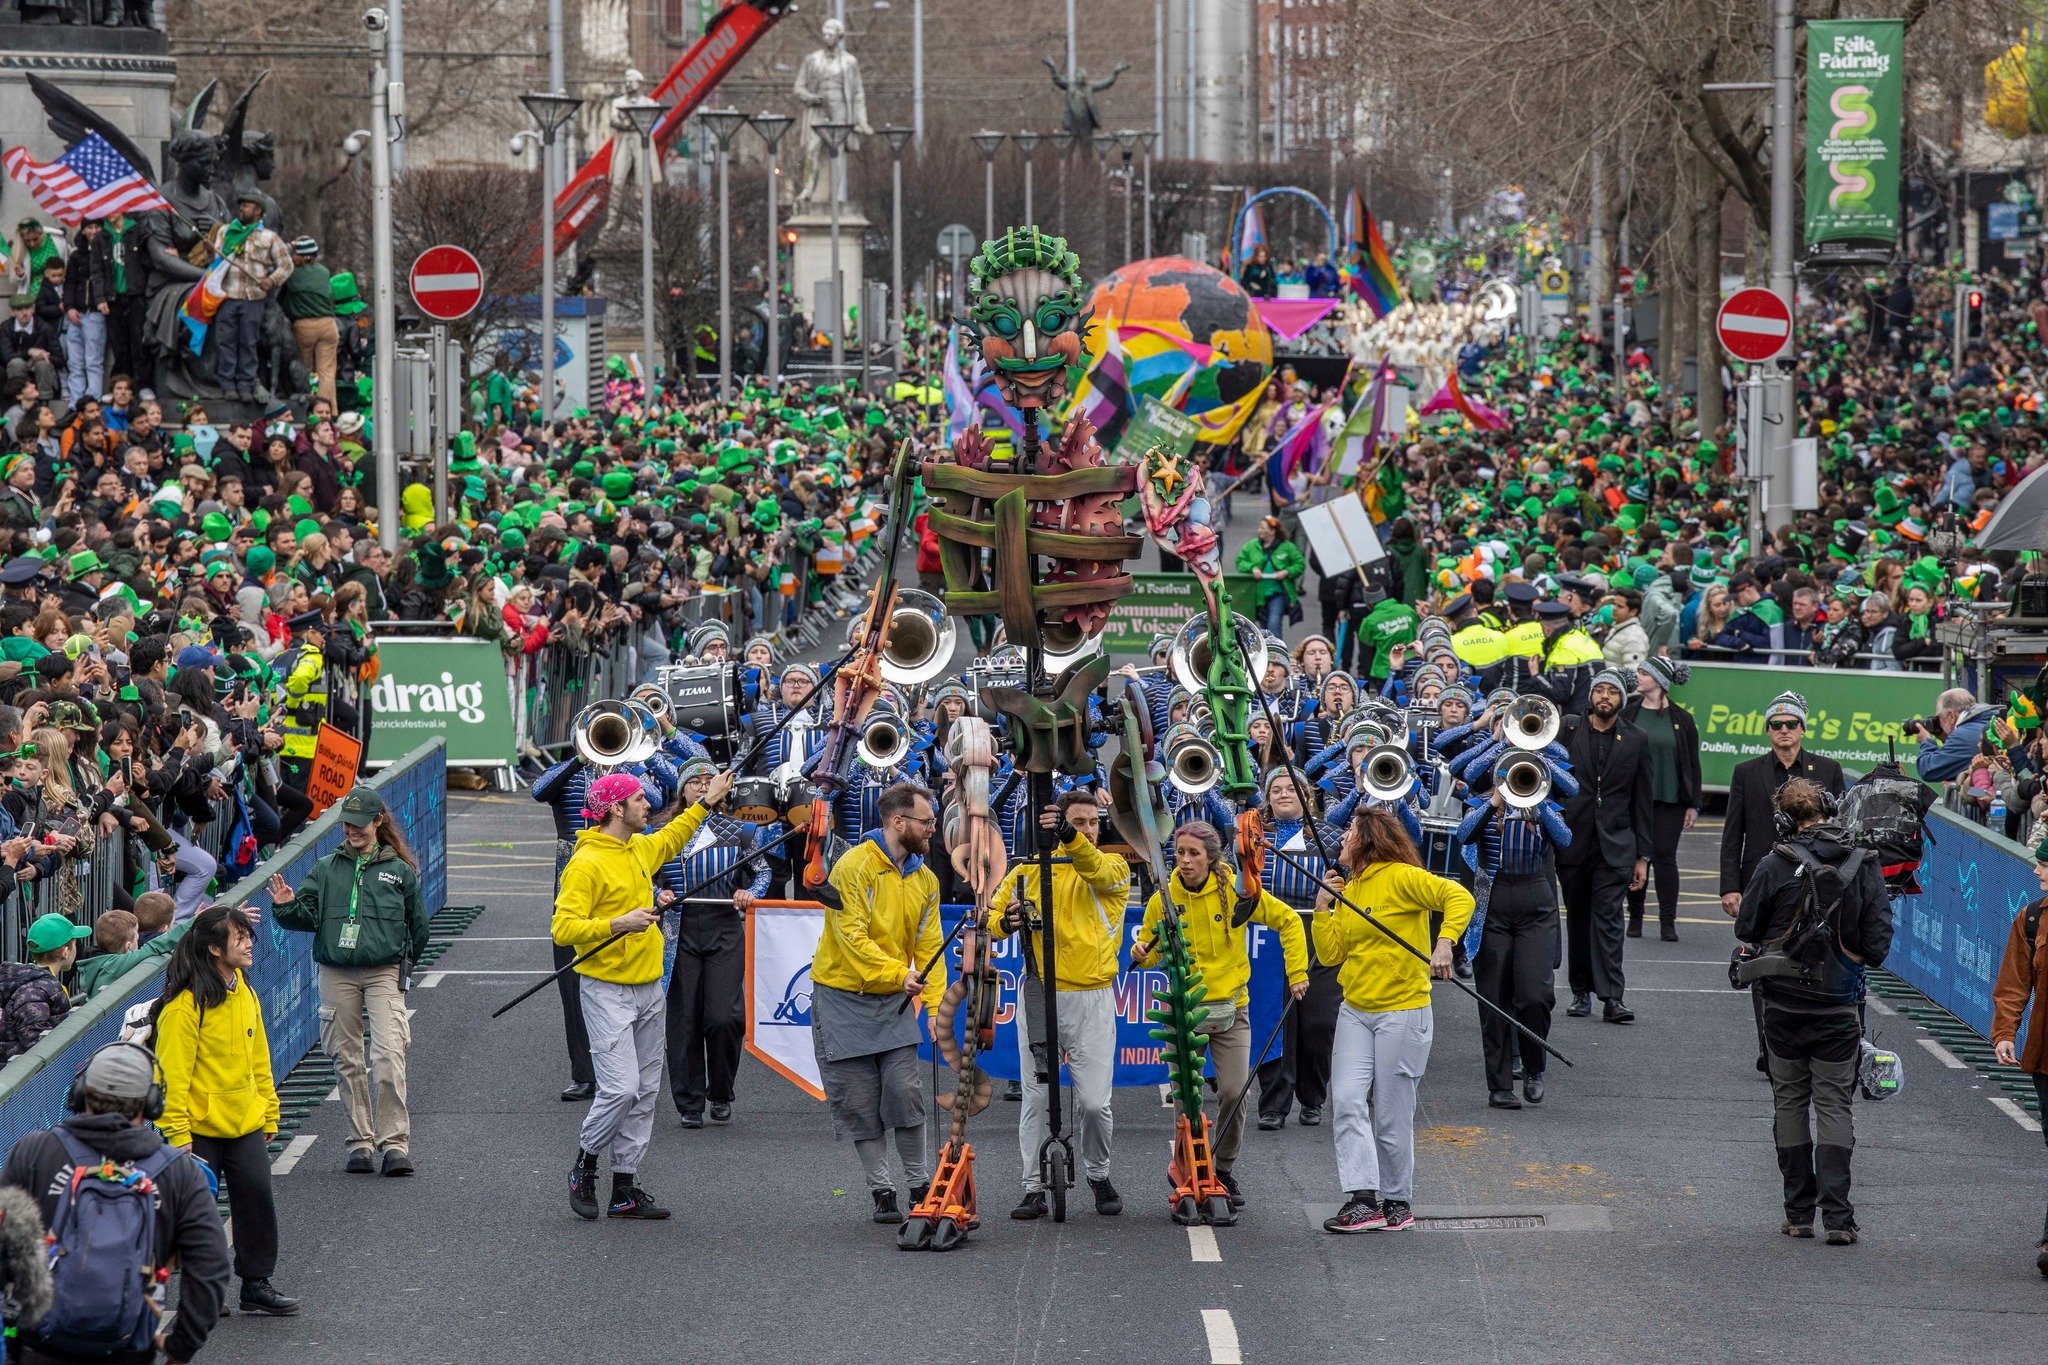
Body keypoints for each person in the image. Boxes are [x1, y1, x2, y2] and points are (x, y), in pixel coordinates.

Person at [551, 766, 732, 1222]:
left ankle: (625, 1187)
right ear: (615, 809)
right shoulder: (586, 862)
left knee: (647, 1090)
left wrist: (707, 801)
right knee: (621, 1088)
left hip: (649, 985)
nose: (648, 805)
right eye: (638, 800)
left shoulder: (637, 847)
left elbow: (673, 836)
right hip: (606, 988)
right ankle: (586, 1164)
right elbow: (563, 928)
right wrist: (620, 923)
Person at [1, 1041, 231, 1365]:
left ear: (80, 1093)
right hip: (129, 1350)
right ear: (151, 1103)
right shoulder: (177, 1171)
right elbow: (211, 1266)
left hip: (37, 1347)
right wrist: (181, 1346)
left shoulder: (34, 1151)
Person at [1734, 778, 1892, 1244]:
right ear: (1830, 810)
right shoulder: (1864, 864)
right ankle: (1839, 1220)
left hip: (1781, 1007)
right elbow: (1878, 946)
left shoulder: (1774, 864)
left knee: (1788, 1102)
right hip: (1839, 1007)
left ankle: (1798, 1213)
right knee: (1834, 1104)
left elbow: (1747, 926)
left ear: (1783, 821)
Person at [1131, 821, 1308, 1212]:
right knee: (1187, 1099)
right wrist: (1142, 954)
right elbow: (1152, 948)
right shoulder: (1163, 898)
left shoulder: (1237, 890)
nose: (1186, 861)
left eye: (1194, 854)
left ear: (1212, 858)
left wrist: (1297, 974)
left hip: (1231, 1008)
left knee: (1233, 1092)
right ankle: (1189, 1166)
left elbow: (1290, 922)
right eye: (1180, 853)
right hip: (1183, 1008)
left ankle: (1223, 1168)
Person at [1313, 808, 1475, 1232]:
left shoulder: (1401, 876)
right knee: (1347, 1101)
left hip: (1402, 1010)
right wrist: (1323, 908)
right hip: (1356, 1009)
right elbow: (1330, 955)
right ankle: (1363, 1197)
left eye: (1349, 831)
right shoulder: (1351, 887)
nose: (1342, 838)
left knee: (1390, 1113)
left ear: (1367, 839)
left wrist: (1444, 944)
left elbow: (1459, 897)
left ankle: (1397, 1200)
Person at [268, 785, 428, 1177]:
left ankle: (394, 1144)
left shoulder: (400, 871)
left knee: (389, 1054)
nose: (351, 832)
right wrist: (286, 905)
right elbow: (305, 918)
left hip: (383, 971)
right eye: (346, 826)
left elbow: (418, 926)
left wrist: (404, 964)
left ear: (378, 821)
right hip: (336, 971)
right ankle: (360, 1142)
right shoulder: (325, 868)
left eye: (359, 825)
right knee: (347, 1058)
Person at [987, 791, 1132, 1220]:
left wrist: (1070, 838)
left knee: (1093, 1103)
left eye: (1092, 822)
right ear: (1052, 825)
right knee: (1035, 1098)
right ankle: (1033, 1186)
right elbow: (993, 921)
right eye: (1077, 822)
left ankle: (1098, 1173)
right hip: (1040, 995)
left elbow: (1093, 866)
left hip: (1092, 998)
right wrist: (1004, 921)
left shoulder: (1113, 867)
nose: (1088, 828)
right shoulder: (1027, 871)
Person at [149, 904, 297, 1316]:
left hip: (245, 1123)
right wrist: (177, 1136)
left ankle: (255, 1283)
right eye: (240, 937)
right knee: (197, 1217)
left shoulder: (245, 990)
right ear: (215, 949)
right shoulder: (184, 1007)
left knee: (256, 1200)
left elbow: (259, 1057)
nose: (250, 943)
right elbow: (170, 1078)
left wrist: (269, 1110)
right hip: (197, 1132)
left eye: (248, 935)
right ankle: (201, 1295)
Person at [813, 782, 947, 1225]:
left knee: (904, 1092)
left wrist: (936, 1005)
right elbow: (851, 938)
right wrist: (899, 974)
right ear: (898, 822)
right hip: (841, 997)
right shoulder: (853, 865)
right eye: (926, 822)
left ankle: (918, 1183)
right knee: (859, 1101)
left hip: (892, 998)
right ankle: (882, 1190)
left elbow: (929, 948)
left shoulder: (926, 879)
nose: (933, 829)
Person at [657, 757, 772, 1128]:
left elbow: (763, 873)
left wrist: (748, 893)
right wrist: (656, 893)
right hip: (679, 930)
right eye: (695, 782)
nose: (703, 787)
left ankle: (721, 1092)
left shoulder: (742, 831)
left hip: (724, 928)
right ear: (682, 790)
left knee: (724, 1018)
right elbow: (643, 874)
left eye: (710, 781)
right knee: (684, 1019)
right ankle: (689, 1104)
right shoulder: (662, 833)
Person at [1556, 669, 1651, 1022]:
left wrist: (1643, 856)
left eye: (1612, 692)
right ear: (1591, 696)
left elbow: (1642, 800)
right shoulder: (1568, 729)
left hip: (1616, 843)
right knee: (1578, 918)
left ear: (1621, 700)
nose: (1605, 697)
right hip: (1573, 840)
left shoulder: (1637, 738)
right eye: (1600, 690)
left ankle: (1613, 997)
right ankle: (1580, 993)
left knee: (1609, 920)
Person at [1991, 837, 2048, 1275]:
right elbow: (2014, 984)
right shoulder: (2031, 918)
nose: (2036, 871)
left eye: (2044, 864)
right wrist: (2004, 1033)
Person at [1624, 657, 1702, 942]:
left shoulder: (1681, 718)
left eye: (1644, 673)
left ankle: (1667, 921)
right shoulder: (1629, 713)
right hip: (1634, 799)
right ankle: (1635, 918)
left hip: (1670, 799)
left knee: (1665, 858)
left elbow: (1692, 762)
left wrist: (1694, 802)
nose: (1639, 677)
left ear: (1659, 679)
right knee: (1636, 856)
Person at [210, 193, 293, 403]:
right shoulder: (226, 231)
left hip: (253, 298)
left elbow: (286, 264)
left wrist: (272, 280)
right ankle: (227, 385)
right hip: (227, 295)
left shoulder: (269, 237)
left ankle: (246, 384)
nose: (242, 209)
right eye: (241, 205)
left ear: (258, 211)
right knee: (226, 342)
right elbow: (215, 261)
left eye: (247, 206)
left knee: (248, 342)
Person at [1909, 686, 1999, 784]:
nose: (1939, 723)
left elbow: (1928, 769)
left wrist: (1926, 741)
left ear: (1951, 716)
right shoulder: (1987, 720)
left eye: (1939, 717)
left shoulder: (1963, 735)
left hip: (1988, 796)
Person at [1236, 516, 1306, 635]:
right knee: (1263, 626)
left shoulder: (1287, 546)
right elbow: (1240, 562)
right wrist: (1252, 568)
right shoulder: (1252, 545)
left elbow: (1300, 564)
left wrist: (1287, 571)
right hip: (1258, 594)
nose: (1259, 531)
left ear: (1273, 531)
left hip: (1277, 593)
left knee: (1274, 623)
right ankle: (1266, 650)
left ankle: (1276, 651)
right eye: (1259, 528)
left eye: (1263, 528)